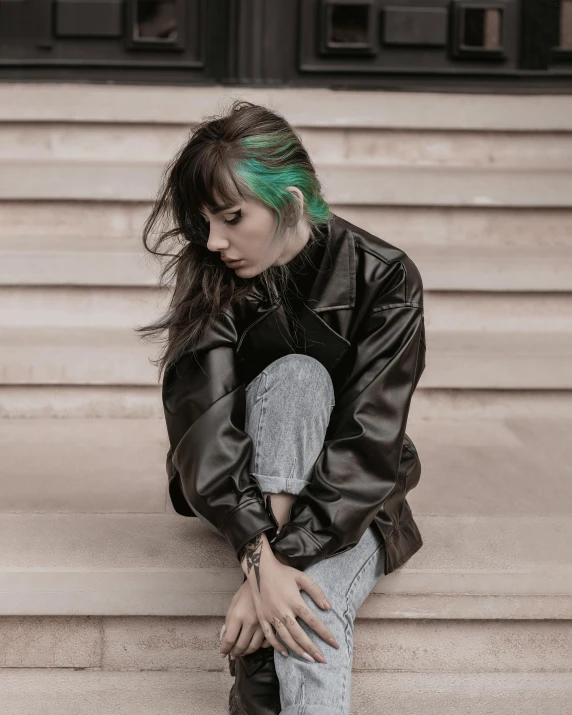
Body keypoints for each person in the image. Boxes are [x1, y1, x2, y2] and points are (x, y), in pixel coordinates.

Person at [136, 99, 426, 715]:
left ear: (290, 204)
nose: (213, 241)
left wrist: (271, 568)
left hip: (351, 501)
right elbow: (201, 422)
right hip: (238, 490)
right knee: (296, 379)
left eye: (232, 218)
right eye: (204, 222)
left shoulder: (385, 277)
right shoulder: (211, 274)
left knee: (308, 600)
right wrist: (260, 555)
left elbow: (368, 440)